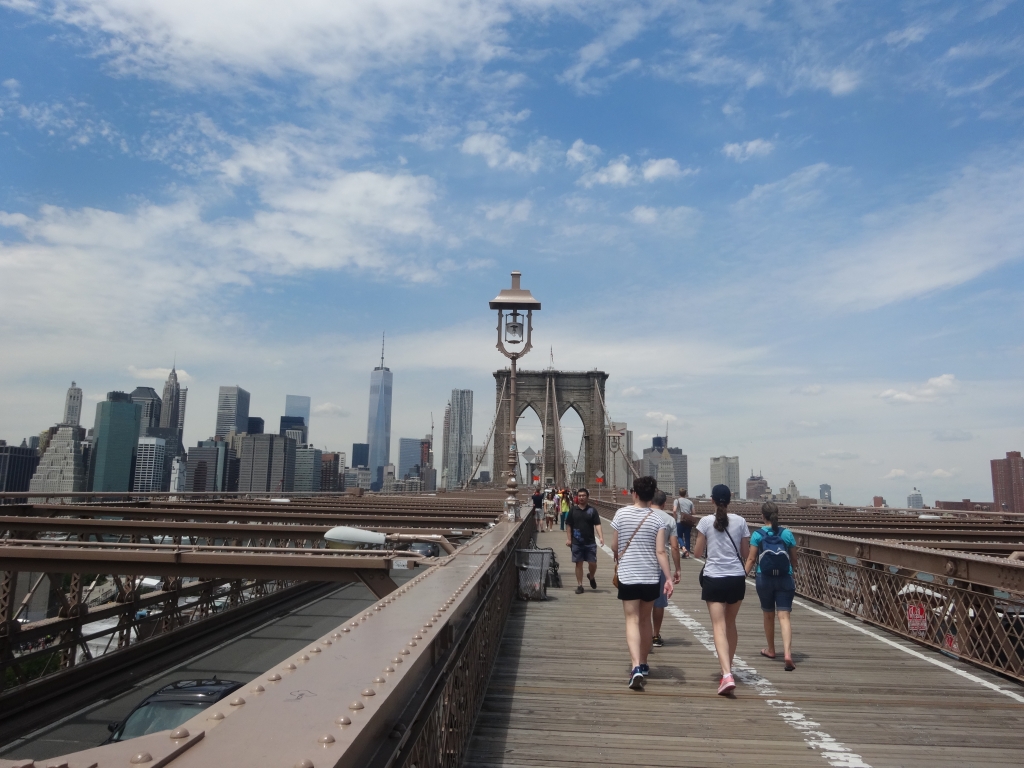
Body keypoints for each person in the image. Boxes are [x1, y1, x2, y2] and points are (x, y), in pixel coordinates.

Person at [610, 476, 673, 691]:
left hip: (628, 575)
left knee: (632, 620)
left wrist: (619, 556)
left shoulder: (621, 514)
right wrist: (669, 578)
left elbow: (615, 545)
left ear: (634, 493)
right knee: (645, 621)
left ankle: (635, 666)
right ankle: (644, 664)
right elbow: (661, 551)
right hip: (650, 577)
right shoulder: (658, 520)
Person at [693, 483, 750, 695]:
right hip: (736, 578)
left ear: (712, 500)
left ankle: (726, 674)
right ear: (731, 499)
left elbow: (698, 553)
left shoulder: (705, 522)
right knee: (730, 623)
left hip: (714, 578)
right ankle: (728, 668)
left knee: (718, 626)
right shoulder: (741, 521)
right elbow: (745, 553)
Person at [744, 501, 798, 671]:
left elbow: (752, 559)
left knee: (768, 615)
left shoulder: (758, 535)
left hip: (764, 578)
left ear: (762, 516)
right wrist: (791, 570)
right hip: (784, 578)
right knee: (784, 616)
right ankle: (788, 653)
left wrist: (742, 575)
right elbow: (794, 560)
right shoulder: (787, 534)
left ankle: (771, 650)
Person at [650, 489, 681, 647]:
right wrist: (677, 569)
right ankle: (655, 636)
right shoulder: (669, 520)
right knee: (659, 602)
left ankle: (642, 635)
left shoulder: (642, 515)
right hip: (662, 565)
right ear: (664, 504)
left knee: (643, 602)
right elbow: (674, 547)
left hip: (643, 564)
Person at [565, 488, 604, 594]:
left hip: (590, 542)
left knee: (593, 563)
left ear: (587, 497)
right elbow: (568, 525)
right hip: (576, 542)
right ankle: (580, 585)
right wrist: (569, 539)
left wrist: (601, 537)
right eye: (579, 496)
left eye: (583, 495)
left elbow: (597, 524)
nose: (581, 497)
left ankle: (591, 576)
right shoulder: (573, 510)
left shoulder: (592, 510)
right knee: (579, 564)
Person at [672, 488, 694, 558]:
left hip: (679, 521)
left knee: (679, 536)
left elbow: (674, 510)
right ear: (686, 494)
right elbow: (693, 512)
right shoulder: (690, 502)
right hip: (688, 522)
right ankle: (687, 553)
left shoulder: (677, 500)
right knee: (687, 537)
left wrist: (675, 518)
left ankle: (684, 549)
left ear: (679, 494)